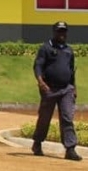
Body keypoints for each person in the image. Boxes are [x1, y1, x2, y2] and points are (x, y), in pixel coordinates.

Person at [31, 21, 82, 161]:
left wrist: (74, 88)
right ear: (54, 32)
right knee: (44, 118)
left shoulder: (69, 50)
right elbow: (38, 66)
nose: (62, 34)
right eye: (59, 31)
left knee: (67, 118)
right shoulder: (46, 48)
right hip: (49, 89)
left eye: (64, 31)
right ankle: (37, 142)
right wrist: (41, 82)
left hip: (66, 89)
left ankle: (70, 149)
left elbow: (71, 72)